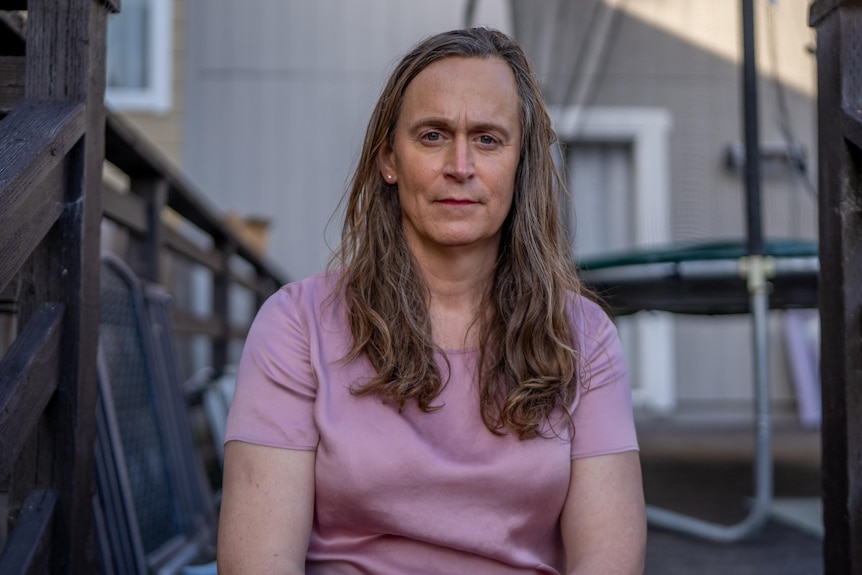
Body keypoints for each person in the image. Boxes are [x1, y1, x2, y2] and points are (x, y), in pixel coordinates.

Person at [217, 27, 646, 575]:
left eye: (488, 139)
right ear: (389, 160)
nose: (460, 166)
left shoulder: (583, 338)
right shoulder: (295, 326)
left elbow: (607, 561)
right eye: (433, 135)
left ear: (522, 165)